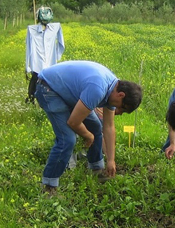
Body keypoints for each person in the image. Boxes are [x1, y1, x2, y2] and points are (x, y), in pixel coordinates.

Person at [34, 60, 143, 194]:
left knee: (96, 127)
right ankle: (49, 186)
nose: (118, 112)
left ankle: (97, 170)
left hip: (68, 92)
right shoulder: (98, 89)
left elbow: (108, 127)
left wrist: (111, 160)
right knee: (67, 139)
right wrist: (88, 135)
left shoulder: (113, 88)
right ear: (121, 95)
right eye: (122, 108)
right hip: (49, 88)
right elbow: (73, 122)